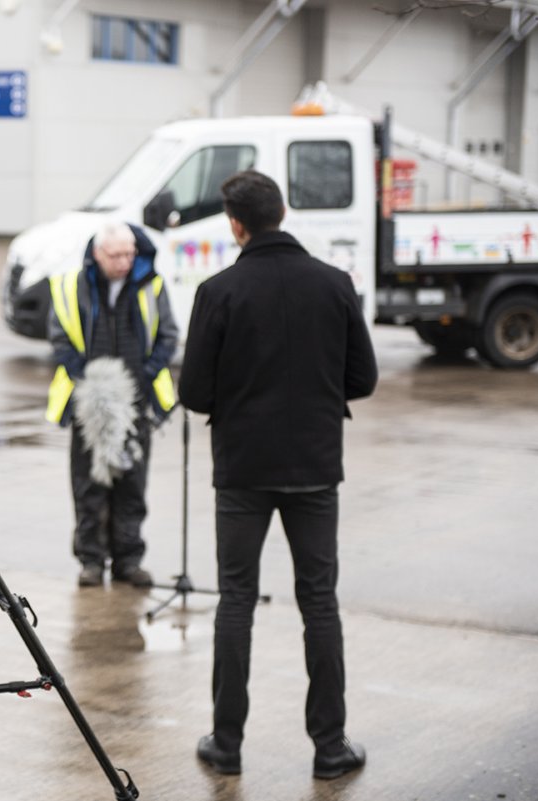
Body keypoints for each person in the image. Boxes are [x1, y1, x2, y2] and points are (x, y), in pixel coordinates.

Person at [177, 170, 378, 779]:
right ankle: (330, 747)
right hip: (315, 468)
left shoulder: (219, 291)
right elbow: (362, 379)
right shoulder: (335, 284)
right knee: (319, 602)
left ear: (235, 223)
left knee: (235, 600)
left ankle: (227, 744)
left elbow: (193, 391)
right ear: (283, 212)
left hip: (242, 469)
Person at [47, 220, 179, 588]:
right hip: (89, 403)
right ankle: (91, 561)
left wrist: (147, 374)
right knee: (89, 486)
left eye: (129, 253)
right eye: (116, 254)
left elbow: (169, 336)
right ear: (97, 254)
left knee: (132, 485)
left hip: (136, 402)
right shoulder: (73, 287)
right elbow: (59, 338)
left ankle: (128, 560)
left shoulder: (151, 285)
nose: (124, 261)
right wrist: (83, 379)